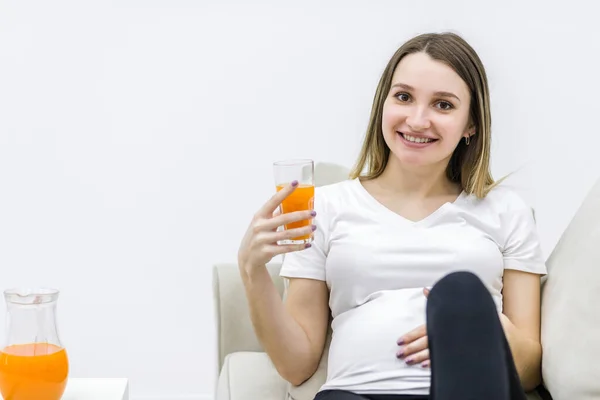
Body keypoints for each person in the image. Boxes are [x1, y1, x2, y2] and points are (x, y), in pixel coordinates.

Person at [237, 32, 546, 400]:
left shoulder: (505, 210)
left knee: (462, 292)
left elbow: (529, 373)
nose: (417, 120)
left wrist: (477, 328)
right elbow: (296, 365)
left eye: (443, 105)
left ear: (471, 124)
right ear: (382, 105)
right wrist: (252, 271)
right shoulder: (324, 207)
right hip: (355, 394)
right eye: (403, 97)